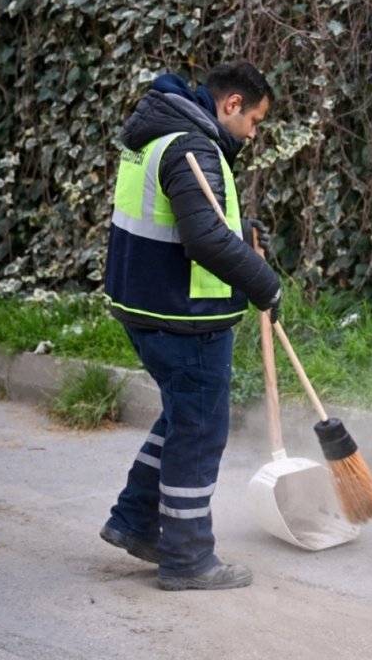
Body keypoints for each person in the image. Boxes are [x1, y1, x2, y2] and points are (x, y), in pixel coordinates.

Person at [99, 60, 281, 591]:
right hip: (183, 317)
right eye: (255, 120)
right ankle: (188, 558)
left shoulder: (160, 136)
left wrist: (238, 228)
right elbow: (201, 239)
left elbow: (186, 215)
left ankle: (134, 521)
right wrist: (263, 283)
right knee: (199, 431)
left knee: (183, 417)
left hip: (145, 305)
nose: (254, 133)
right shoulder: (192, 146)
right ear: (232, 105)